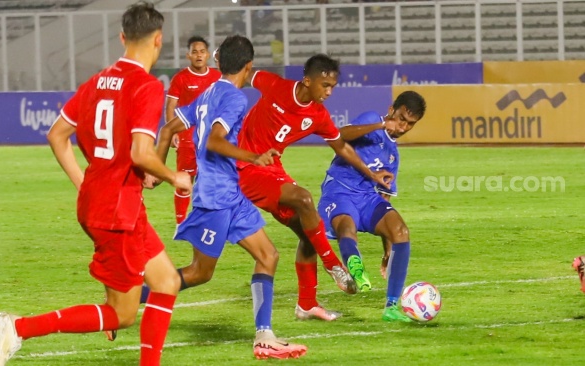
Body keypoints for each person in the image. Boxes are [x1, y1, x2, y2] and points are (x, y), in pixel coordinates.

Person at [0, 3, 191, 365]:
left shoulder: (97, 80)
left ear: (122, 37)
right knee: (122, 314)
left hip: (106, 203)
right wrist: (173, 175)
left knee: (166, 281)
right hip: (117, 213)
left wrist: (86, 182)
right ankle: (19, 328)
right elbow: (141, 153)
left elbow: (57, 135)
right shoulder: (146, 86)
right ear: (159, 40)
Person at [155, 35, 307, 360]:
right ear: (249, 67)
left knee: (268, 256)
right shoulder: (235, 99)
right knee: (200, 273)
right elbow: (214, 141)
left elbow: (168, 129)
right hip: (216, 197)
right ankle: (128, 299)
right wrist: (253, 158)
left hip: (232, 193)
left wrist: (155, 169)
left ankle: (264, 337)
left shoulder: (210, 91)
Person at [236, 54, 393, 321]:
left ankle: (306, 304)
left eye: (333, 86)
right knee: (305, 199)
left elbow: (341, 146)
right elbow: (241, 72)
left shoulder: (318, 115)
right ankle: (332, 263)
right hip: (244, 167)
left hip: (272, 169)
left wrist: (371, 174)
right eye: (325, 85)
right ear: (307, 81)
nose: (329, 92)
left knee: (311, 230)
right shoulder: (274, 85)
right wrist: (223, 57)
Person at [317, 90, 426, 322]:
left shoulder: (393, 156)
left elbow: (385, 199)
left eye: (410, 124)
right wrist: (380, 124)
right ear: (391, 110)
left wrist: (387, 249)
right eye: (400, 119)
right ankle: (354, 268)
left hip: (367, 199)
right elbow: (340, 135)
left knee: (401, 232)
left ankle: (392, 307)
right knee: (346, 227)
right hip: (340, 189)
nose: (403, 127)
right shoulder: (370, 119)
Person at [165, 35, 221, 225]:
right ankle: (180, 224)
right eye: (195, 52)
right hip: (187, 137)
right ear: (188, 55)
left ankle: (206, 220)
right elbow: (170, 105)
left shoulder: (216, 77)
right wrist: (172, 131)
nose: (199, 55)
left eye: (202, 51)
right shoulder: (181, 78)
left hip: (211, 137)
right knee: (184, 181)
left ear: (208, 55)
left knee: (210, 181)